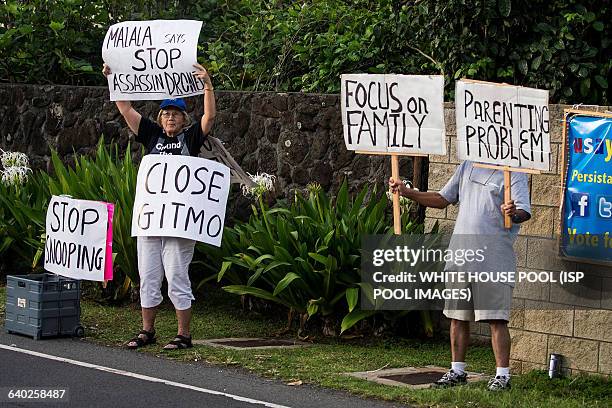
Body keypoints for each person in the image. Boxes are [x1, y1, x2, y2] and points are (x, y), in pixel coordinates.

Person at [102, 62, 216, 350]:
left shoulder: (189, 138)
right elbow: (126, 109)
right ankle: (147, 331)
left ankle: (183, 335)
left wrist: (207, 85)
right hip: (151, 220)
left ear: (183, 119)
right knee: (149, 275)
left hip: (179, 222)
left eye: (175, 113)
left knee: (177, 275)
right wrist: (114, 80)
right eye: (166, 113)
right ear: (160, 116)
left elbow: (210, 117)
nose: (170, 117)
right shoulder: (151, 134)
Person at [389, 160, 531, 391]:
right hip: (461, 255)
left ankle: (502, 376)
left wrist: (513, 212)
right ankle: (457, 371)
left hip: (494, 258)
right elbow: (442, 199)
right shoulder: (468, 165)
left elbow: (524, 212)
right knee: (457, 316)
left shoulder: (512, 171)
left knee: (497, 318)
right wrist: (407, 192)